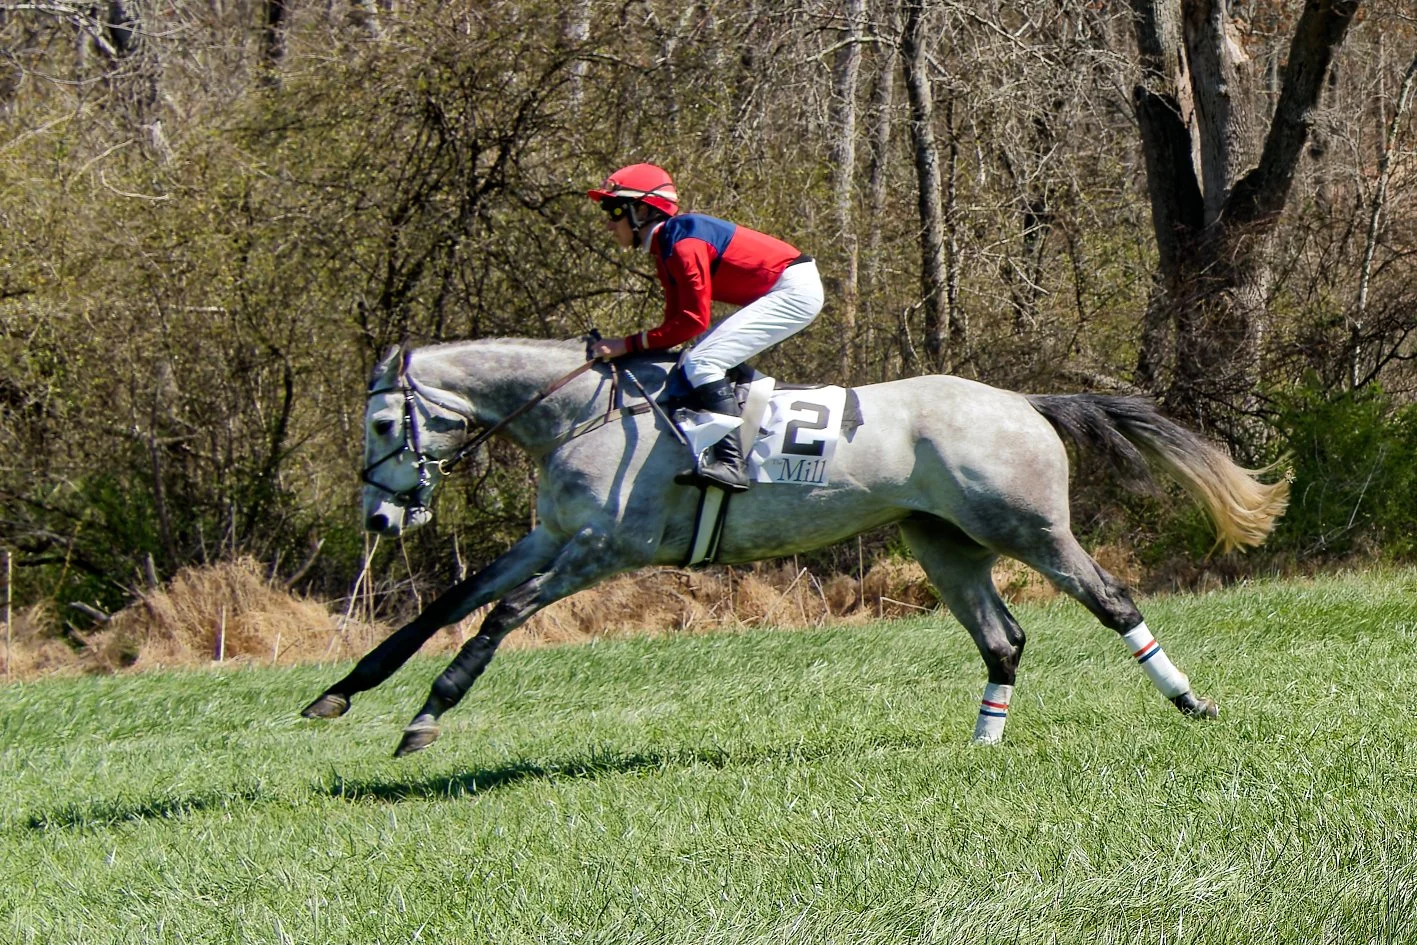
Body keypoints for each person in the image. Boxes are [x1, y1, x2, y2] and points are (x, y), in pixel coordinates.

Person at [587, 163, 824, 492]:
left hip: (794, 290)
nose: (608, 223)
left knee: (703, 362)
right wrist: (631, 347)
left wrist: (626, 345)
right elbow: (675, 325)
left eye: (613, 210)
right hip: (786, 286)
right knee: (695, 359)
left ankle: (731, 464)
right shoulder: (666, 247)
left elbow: (692, 322)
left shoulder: (683, 244)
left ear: (641, 210)